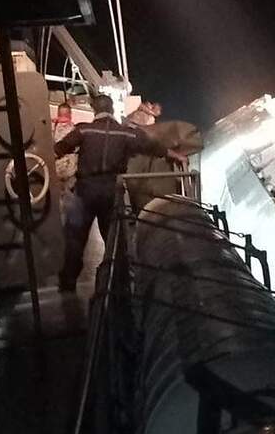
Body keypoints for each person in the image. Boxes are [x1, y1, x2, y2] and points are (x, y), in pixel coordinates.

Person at [55, 95, 188, 293]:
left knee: (75, 237)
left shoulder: (83, 130)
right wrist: (175, 155)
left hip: (84, 191)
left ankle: (67, 283)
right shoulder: (125, 133)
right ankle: (119, 282)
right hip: (111, 190)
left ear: (94, 109)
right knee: (114, 239)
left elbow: (59, 148)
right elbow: (151, 146)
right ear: (112, 110)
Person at [52, 102, 77, 222]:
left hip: (57, 166)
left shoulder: (53, 128)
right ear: (70, 114)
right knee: (69, 196)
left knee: (59, 196)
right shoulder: (74, 129)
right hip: (70, 167)